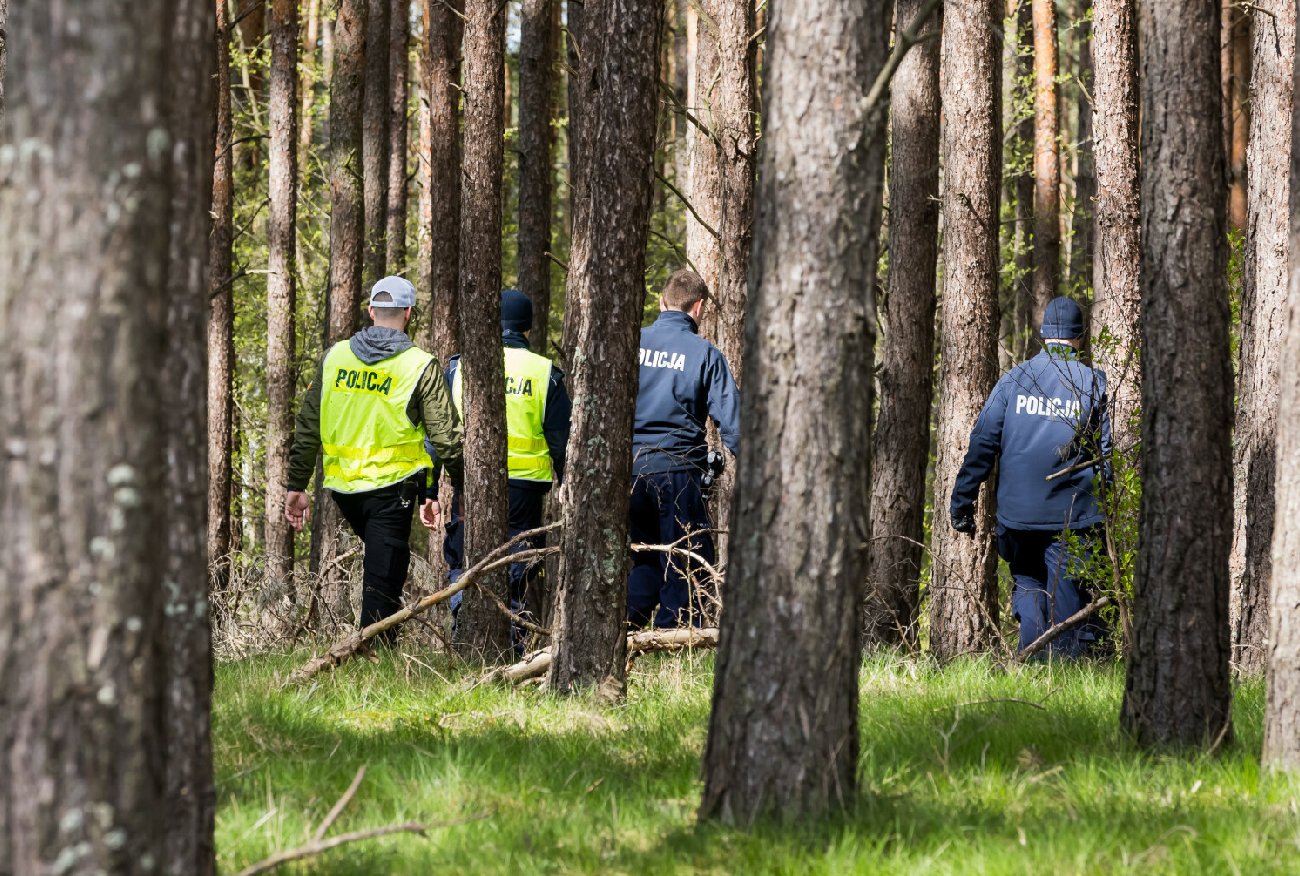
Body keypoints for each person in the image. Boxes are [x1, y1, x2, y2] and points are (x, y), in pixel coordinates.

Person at [285, 276, 464, 642]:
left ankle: (376, 657)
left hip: (345, 491)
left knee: (384, 573)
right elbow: (445, 439)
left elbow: (307, 425)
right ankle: (371, 663)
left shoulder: (335, 357)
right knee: (383, 583)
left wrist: (296, 485)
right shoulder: (420, 365)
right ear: (408, 314)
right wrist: (465, 485)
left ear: (371, 311)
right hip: (392, 491)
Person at [949, 296, 1112, 659]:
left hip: (1017, 520)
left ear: (1043, 336)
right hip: (1071, 518)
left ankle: (1033, 669)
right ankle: (1064, 681)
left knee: (1028, 584)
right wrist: (1106, 508)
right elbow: (1107, 457)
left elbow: (982, 444)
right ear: (1079, 337)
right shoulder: (1092, 382)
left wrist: (962, 502)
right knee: (1067, 600)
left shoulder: (1013, 380)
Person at [442, 289, 572, 631]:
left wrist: (430, 487)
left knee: (466, 556)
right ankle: (511, 637)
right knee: (516, 562)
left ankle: (463, 621)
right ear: (526, 327)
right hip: (525, 491)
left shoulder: (459, 369)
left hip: (471, 485)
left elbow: (437, 433)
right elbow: (561, 441)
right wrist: (567, 481)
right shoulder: (545, 373)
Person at [628, 269, 740, 629]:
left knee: (644, 558)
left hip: (627, 472)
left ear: (661, 302)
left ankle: (625, 630)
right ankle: (671, 641)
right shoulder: (705, 354)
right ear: (699, 308)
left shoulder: (632, 344)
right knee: (685, 561)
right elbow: (733, 424)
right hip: (676, 472)